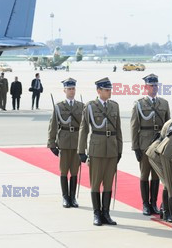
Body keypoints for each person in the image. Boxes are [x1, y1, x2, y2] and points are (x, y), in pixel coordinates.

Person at [78, 77, 123, 226]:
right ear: (98, 91)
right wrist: (81, 151)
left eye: (110, 89)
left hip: (111, 149)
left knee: (109, 184)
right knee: (96, 183)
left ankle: (106, 214)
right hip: (96, 149)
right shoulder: (90, 106)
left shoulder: (114, 106)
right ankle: (96, 213)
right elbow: (84, 129)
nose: (109, 92)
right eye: (106, 90)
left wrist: (120, 149)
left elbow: (118, 130)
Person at [131, 73, 170, 216]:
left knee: (156, 175)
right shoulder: (139, 104)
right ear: (145, 87)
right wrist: (135, 147)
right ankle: (145, 204)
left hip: (159, 143)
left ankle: (153, 203)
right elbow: (134, 126)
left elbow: (168, 124)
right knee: (144, 174)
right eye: (151, 85)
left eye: (156, 85)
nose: (154, 88)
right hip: (145, 144)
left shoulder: (164, 103)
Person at [48, 78, 85, 208]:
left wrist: (84, 145)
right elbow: (53, 126)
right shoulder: (59, 106)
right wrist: (52, 143)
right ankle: (65, 197)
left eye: (73, 88)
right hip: (63, 142)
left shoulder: (81, 106)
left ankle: (72, 197)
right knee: (64, 171)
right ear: (64, 90)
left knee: (75, 171)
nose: (71, 91)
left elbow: (85, 128)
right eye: (69, 89)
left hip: (76, 142)